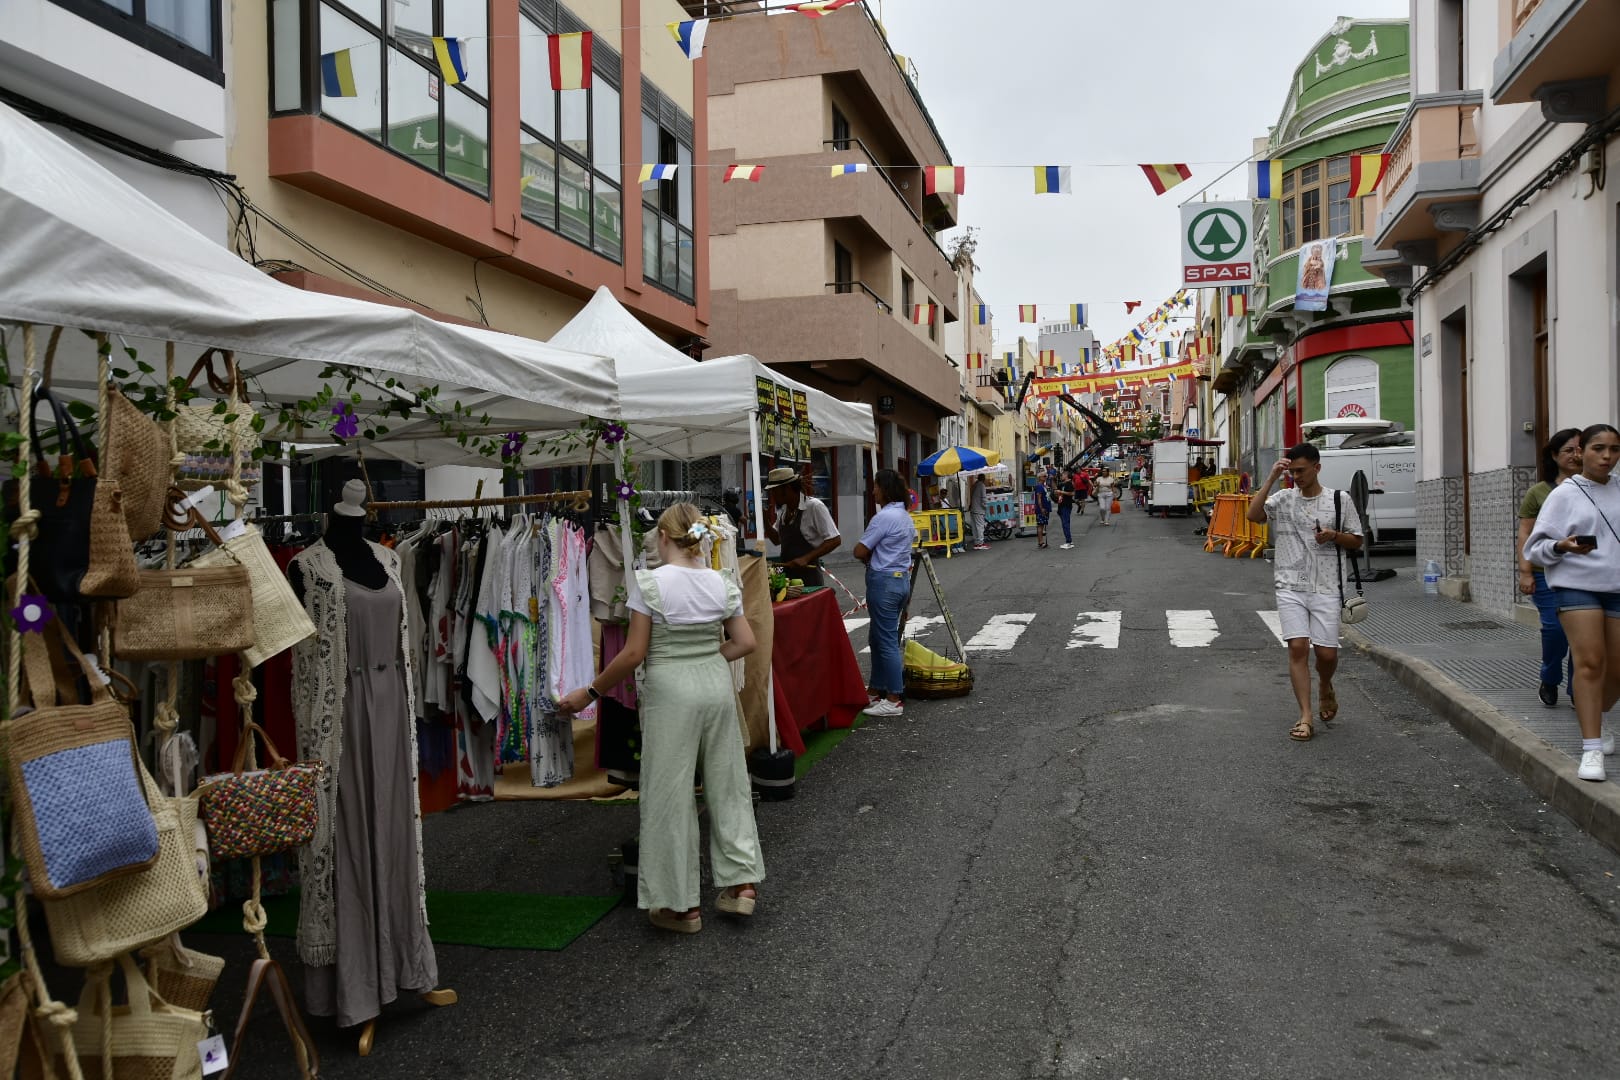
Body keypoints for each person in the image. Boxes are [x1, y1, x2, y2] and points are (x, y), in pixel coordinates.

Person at [558, 504, 765, 932]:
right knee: (728, 784)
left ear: (663, 537)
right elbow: (745, 642)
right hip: (715, 684)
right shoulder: (721, 580)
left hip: (670, 689)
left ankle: (679, 905)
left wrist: (590, 692)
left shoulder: (649, 583)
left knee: (670, 794)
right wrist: (708, 656)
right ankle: (742, 884)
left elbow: (633, 653)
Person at [1246, 442, 1364, 742]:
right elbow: (1253, 515)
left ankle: (1325, 684)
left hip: (1327, 585)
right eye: (1292, 472)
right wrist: (1272, 478)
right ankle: (1305, 716)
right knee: (1297, 647)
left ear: (1317, 468)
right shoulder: (1283, 498)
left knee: (1326, 653)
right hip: (1289, 585)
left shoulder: (1339, 499)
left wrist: (1333, 535)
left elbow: (1357, 540)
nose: (1296, 477)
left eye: (1301, 471)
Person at [1523, 424, 1620, 782]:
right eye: (1598, 448)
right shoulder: (1564, 494)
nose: (1606, 456)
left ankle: (1596, 714)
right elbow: (1534, 548)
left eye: (1614, 449)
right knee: (1590, 662)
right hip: (1576, 585)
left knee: (1617, 671)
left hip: (1616, 585)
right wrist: (1562, 546)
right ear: (1582, 451)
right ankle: (1591, 748)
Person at [1519, 428, 1582, 707]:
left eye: (1580, 449)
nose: (1575, 455)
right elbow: (1526, 533)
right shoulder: (1539, 492)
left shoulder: (1595, 488)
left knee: (1582, 634)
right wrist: (1525, 571)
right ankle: (1550, 677)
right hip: (1546, 573)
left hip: (1584, 575)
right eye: (1568, 450)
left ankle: (1578, 688)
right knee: (1555, 630)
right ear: (1554, 456)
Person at [854, 469, 915, 717]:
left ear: (885, 489)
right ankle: (876, 688)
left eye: (876, 486)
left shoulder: (884, 517)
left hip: (884, 582)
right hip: (900, 581)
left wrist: (870, 557)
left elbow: (859, 550)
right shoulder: (905, 516)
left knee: (886, 641)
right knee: (878, 638)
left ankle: (893, 698)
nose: (873, 491)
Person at [763, 466, 840, 587]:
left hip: (809, 578)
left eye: (775, 491)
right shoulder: (783, 511)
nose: (772, 495)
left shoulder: (814, 507)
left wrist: (806, 558)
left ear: (787, 488)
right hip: (787, 578)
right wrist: (765, 521)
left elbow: (835, 540)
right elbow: (776, 540)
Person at [1031, 471, 1052, 549]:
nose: (1046, 477)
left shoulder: (1044, 486)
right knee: (1040, 525)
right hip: (1041, 509)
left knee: (1042, 525)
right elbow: (1039, 498)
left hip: (1046, 508)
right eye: (1044, 476)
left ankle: (1041, 541)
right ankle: (1041, 542)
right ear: (1040, 477)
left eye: (1046, 476)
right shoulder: (1039, 486)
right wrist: (1041, 508)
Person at [1054, 473, 1075, 549]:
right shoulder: (1062, 484)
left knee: (1065, 524)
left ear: (1066, 476)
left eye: (1063, 475)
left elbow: (1072, 493)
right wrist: (1057, 492)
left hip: (1066, 505)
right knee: (1065, 523)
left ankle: (1068, 542)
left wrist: (1061, 492)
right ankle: (1069, 541)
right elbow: (1057, 491)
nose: (1061, 476)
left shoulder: (1069, 483)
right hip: (1061, 505)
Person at [969, 474, 989, 551]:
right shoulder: (982, 486)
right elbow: (983, 498)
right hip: (979, 509)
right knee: (980, 526)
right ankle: (981, 543)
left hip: (973, 509)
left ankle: (976, 543)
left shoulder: (974, 485)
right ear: (983, 479)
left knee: (974, 527)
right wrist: (986, 506)